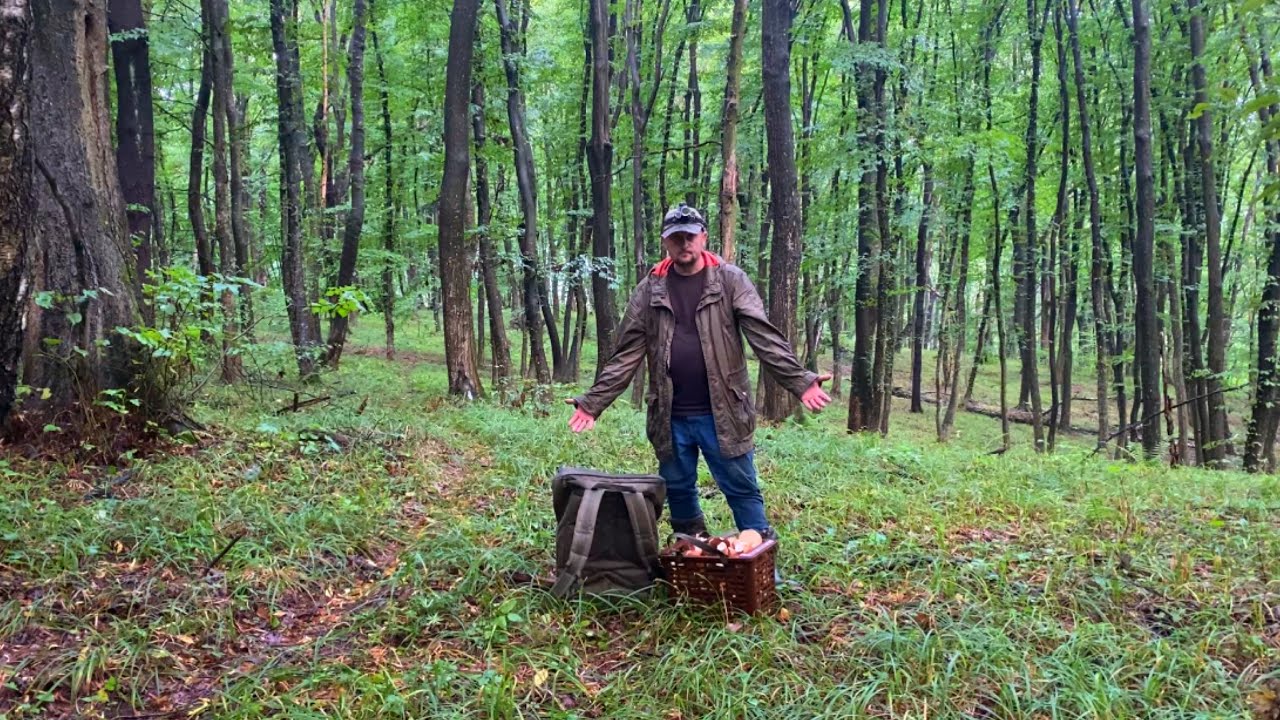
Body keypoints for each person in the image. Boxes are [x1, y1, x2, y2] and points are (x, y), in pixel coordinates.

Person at [566, 203, 831, 540]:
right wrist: (593, 401)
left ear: (703, 236)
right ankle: (693, 556)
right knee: (678, 489)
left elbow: (763, 335)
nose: (684, 244)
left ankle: (761, 562)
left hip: (724, 412)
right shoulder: (650, 288)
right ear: (666, 241)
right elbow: (627, 353)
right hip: (669, 414)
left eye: (690, 236)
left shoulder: (730, 280)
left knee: (740, 487)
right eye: (676, 237)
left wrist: (801, 381)